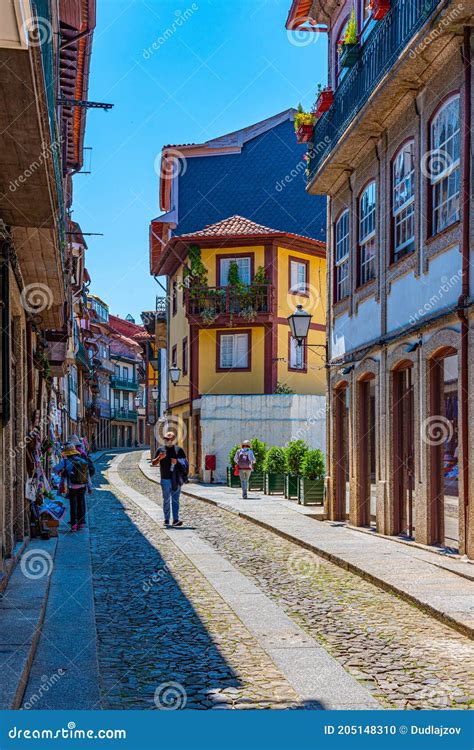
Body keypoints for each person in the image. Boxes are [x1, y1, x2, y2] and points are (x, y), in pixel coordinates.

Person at [53, 441, 92, 532]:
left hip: (72, 487)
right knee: (81, 504)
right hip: (82, 486)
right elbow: (87, 475)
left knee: (73, 505)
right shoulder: (82, 461)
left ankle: (74, 525)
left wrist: (62, 470)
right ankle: (81, 523)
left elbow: (55, 469)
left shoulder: (66, 461)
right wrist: (89, 487)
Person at [151, 431, 188, 527]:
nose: (166, 440)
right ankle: (166, 519)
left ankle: (175, 520)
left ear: (173, 440)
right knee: (166, 499)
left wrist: (177, 462)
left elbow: (185, 464)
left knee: (175, 500)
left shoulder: (179, 450)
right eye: (165, 439)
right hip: (165, 478)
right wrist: (159, 458)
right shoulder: (160, 450)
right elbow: (153, 463)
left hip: (176, 479)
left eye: (168, 439)